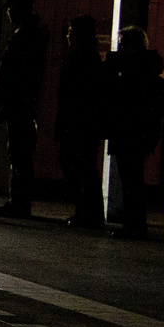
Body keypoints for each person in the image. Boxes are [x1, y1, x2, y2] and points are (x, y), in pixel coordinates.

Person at [104, 25, 164, 239]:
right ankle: (135, 222)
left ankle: (135, 224)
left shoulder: (133, 72)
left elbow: (124, 100)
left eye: (122, 44)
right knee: (133, 179)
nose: (119, 48)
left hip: (130, 131)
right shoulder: (146, 69)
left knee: (131, 180)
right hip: (139, 132)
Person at [0, 0, 48, 217]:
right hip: (21, 104)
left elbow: (18, 76)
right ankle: (19, 201)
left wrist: (6, 103)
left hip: (19, 105)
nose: (8, 13)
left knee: (18, 153)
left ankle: (19, 202)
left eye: (10, 9)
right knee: (19, 153)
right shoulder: (30, 35)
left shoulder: (25, 37)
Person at [57, 15, 107, 228]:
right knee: (86, 167)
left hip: (78, 123)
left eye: (70, 31)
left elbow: (73, 93)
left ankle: (87, 211)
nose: (68, 35)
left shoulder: (80, 56)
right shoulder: (91, 55)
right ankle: (89, 212)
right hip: (87, 123)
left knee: (77, 166)